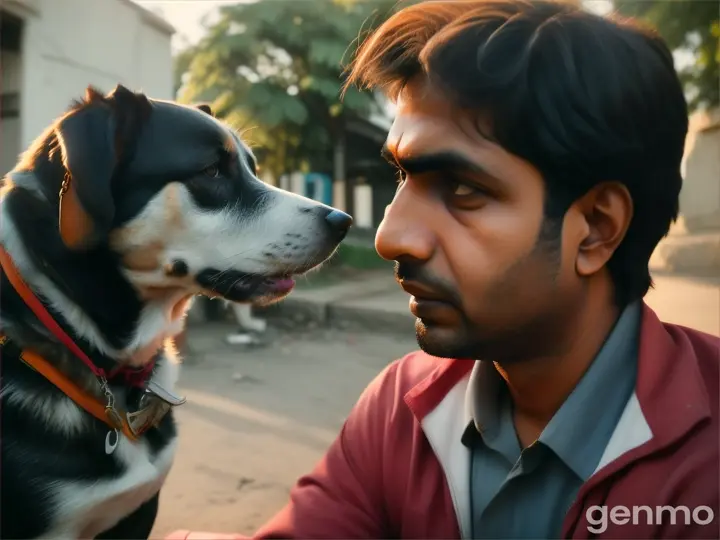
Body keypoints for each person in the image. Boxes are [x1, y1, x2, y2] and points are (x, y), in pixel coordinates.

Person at [167, 1, 719, 538]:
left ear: (596, 228)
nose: (389, 237)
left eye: (462, 189)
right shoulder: (402, 409)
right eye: (403, 178)